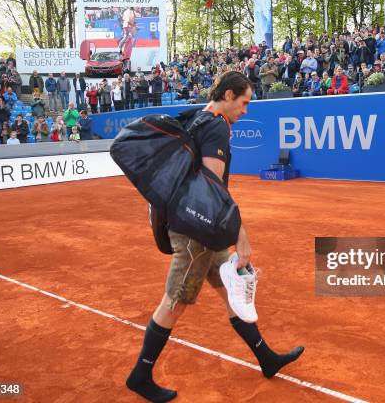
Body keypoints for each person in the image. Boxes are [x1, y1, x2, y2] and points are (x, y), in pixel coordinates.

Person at [125, 71, 304, 403]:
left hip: (197, 227)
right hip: (196, 234)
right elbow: (211, 189)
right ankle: (141, 375)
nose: (246, 110)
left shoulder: (196, 117)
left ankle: (266, 358)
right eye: (244, 102)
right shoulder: (217, 126)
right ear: (228, 95)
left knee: (231, 293)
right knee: (175, 302)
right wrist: (242, 234)